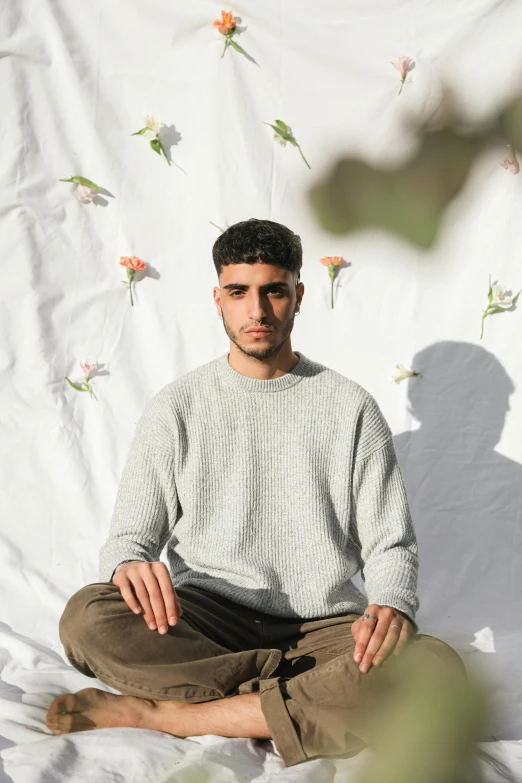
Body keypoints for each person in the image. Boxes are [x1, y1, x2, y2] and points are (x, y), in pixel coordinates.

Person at [47, 218, 466, 767]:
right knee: (87, 618)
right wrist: (128, 563)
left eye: (273, 290)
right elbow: (130, 537)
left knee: (437, 670)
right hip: (207, 620)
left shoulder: (351, 408)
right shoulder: (178, 406)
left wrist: (391, 604)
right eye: (240, 293)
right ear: (218, 299)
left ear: (299, 295)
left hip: (325, 630)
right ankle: (296, 699)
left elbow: (391, 544)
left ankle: (167, 714)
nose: (258, 311)